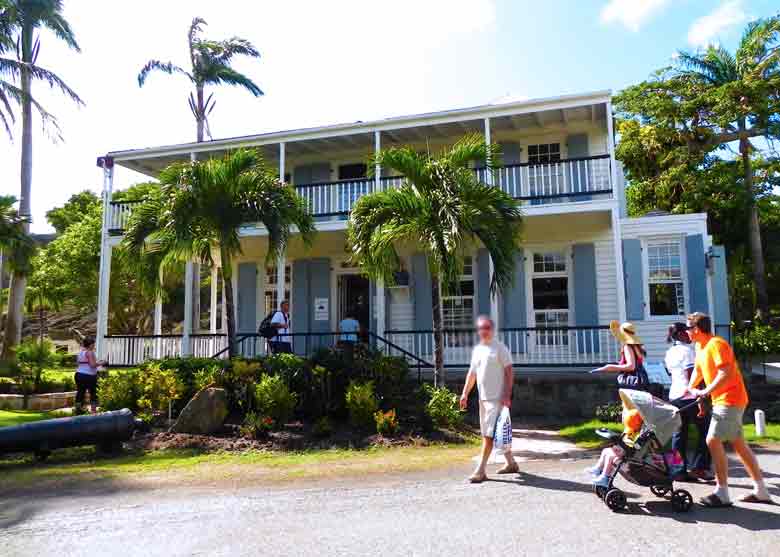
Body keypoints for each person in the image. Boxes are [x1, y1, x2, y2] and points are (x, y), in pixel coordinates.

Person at [686, 312, 773, 507]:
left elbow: (725, 372)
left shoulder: (717, 344)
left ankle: (722, 492)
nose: (687, 333)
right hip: (721, 400)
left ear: (697, 329)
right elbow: (698, 372)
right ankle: (761, 491)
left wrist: (706, 391)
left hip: (730, 399)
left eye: (688, 329)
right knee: (739, 445)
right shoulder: (700, 347)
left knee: (712, 440)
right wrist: (691, 391)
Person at [460, 315, 519, 483]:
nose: (483, 331)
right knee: (495, 433)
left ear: (492, 330)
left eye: (487, 328)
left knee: (489, 435)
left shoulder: (500, 348)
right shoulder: (478, 350)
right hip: (483, 399)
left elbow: (509, 373)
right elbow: (472, 374)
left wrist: (507, 395)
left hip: (498, 399)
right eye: (481, 328)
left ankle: (480, 470)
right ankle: (511, 463)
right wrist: (465, 393)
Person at [665, 322, 712, 481]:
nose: (689, 334)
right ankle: (700, 468)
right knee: (707, 431)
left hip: (674, 396)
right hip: (689, 397)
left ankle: (678, 470)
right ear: (680, 334)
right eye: (687, 331)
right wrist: (701, 399)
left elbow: (672, 375)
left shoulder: (669, 352)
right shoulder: (688, 352)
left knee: (678, 434)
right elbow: (693, 377)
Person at [587, 406, 643, 488]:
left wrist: (620, 447)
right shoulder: (630, 430)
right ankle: (598, 469)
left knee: (610, 456)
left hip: (629, 456)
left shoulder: (638, 434)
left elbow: (635, 447)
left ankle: (605, 477)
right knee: (605, 450)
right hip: (624, 451)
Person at [590, 321, 649, 389]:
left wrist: (608, 367)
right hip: (641, 380)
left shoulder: (628, 347)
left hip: (631, 382)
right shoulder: (637, 347)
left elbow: (631, 366)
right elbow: (637, 364)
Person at [75, 337, 103, 414]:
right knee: (93, 392)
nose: (94, 345)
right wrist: (102, 362)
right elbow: (92, 365)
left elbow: (78, 363)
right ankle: (93, 411)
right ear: (90, 345)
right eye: (93, 344)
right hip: (89, 376)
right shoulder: (90, 352)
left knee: (80, 392)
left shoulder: (80, 352)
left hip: (79, 374)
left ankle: (78, 410)